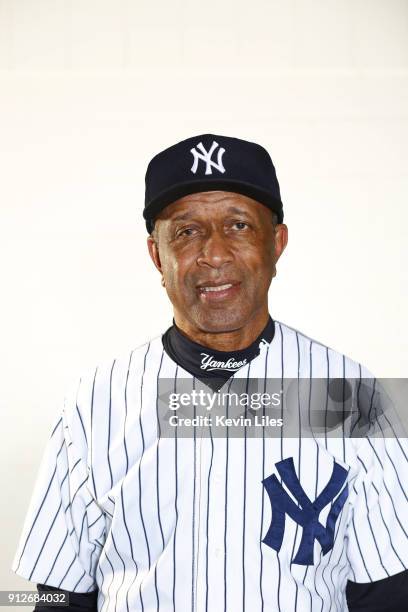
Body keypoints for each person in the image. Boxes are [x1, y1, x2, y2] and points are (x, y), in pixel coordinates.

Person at [11, 134, 408, 611]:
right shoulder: (94, 402)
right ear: (157, 255)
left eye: (238, 225)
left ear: (276, 243)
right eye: (186, 231)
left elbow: (387, 594)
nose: (214, 254)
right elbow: (61, 598)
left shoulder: (350, 396)